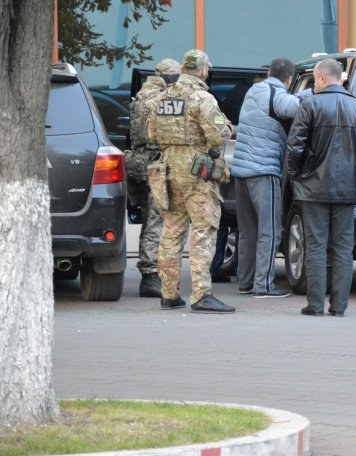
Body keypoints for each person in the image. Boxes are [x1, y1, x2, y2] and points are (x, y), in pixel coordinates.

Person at [147, 49, 236, 313]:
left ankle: (169, 293)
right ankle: (201, 294)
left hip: (167, 169)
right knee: (203, 231)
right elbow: (220, 135)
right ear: (203, 70)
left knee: (171, 231)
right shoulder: (202, 98)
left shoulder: (162, 97)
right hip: (197, 171)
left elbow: (152, 133)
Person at [287, 58, 356, 316]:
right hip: (347, 188)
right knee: (343, 248)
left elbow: (295, 147)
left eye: (315, 79)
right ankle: (339, 306)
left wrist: (296, 174)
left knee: (315, 246)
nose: (314, 85)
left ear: (323, 78)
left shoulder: (310, 105)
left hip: (313, 188)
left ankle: (315, 305)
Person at [232, 58, 312, 298]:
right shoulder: (276, 94)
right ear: (289, 80)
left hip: (241, 172)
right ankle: (264, 286)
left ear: (269, 73)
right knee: (271, 231)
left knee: (248, 232)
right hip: (263, 172)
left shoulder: (254, 91)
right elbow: (295, 107)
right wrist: (315, 90)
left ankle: (246, 282)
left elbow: (286, 103)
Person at [126, 58, 180, 298]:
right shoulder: (160, 99)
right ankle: (150, 275)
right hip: (156, 164)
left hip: (140, 162)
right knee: (157, 221)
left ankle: (151, 273)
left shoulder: (141, 96)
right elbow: (164, 135)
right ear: (169, 77)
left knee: (150, 218)